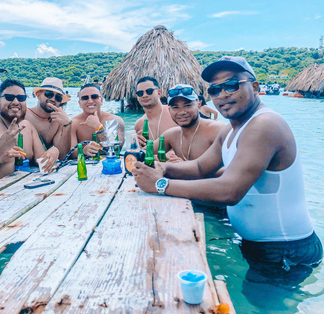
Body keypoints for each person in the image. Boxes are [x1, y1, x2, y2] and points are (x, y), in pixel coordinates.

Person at [133, 56, 322, 275]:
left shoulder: (264, 124)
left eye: (232, 86)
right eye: (215, 90)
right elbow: (199, 168)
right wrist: (165, 168)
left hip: (286, 250)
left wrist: (160, 184)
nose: (223, 95)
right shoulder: (231, 130)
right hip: (261, 244)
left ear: (254, 87)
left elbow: (229, 191)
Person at [0, 79, 59, 183]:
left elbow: (42, 161)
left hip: (21, 191)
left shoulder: (27, 127)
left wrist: (54, 151)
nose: (16, 102)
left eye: (21, 98)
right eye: (9, 97)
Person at [158, 84, 225, 163]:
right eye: (175, 107)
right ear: (169, 110)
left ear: (199, 106)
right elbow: (144, 152)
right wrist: (139, 140)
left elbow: (237, 169)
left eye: (187, 105)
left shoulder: (217, 130)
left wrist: (185, 168)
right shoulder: (172, 135)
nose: (182, 112)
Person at [70, 83, 125, 157]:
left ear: (101, 100)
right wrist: (83, 151)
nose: (90, 101)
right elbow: (70, 152)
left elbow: (116, 149)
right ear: (80, 103)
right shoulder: (74, 123)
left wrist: (98, 127)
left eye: (94, 97)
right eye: (85, 98)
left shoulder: (115, 120)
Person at [25, 77, 72, 160]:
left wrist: (67, 125)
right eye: (49, 94)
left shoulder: (58, 121)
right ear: (38, 95)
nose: (53, 99)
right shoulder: (24, 115)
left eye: (58, 97)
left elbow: (62, 155)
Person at [134, 76, 177, 148]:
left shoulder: (174, 113)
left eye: (149, 91)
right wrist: (137, 145)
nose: (144, 95)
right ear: (137, 97)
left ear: (159, 93)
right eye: (140, 93)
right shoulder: (139, 124)